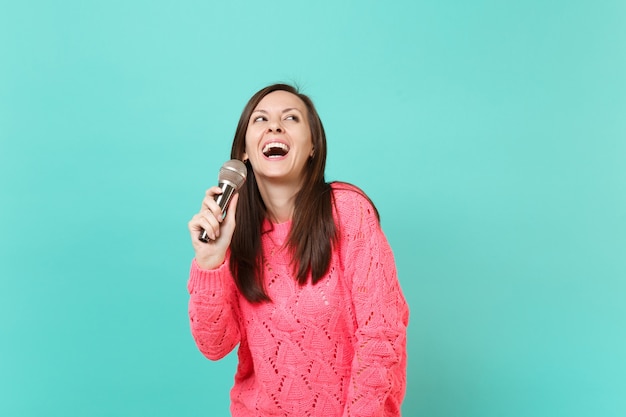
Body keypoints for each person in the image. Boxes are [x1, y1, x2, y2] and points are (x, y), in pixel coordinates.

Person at [187, 83, 409, 416]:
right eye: (260, 120)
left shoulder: (348, 212)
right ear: (244, 152)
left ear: (313, 147)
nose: (274, 126)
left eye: (290, 118)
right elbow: (214, 345)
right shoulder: (236, 232)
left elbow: (381, 335)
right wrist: (210, 259)